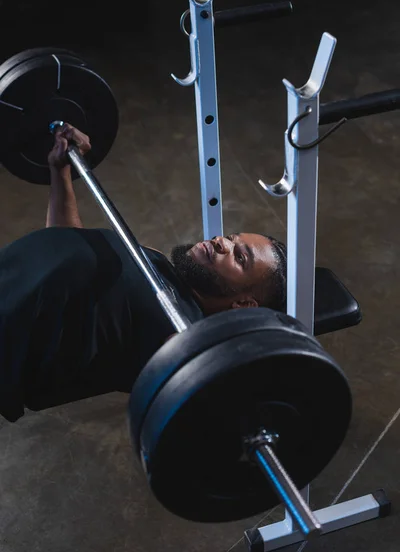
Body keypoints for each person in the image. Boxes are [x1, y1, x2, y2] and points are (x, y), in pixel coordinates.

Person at [0, 124, 287, 423]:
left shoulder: (183, 334)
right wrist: (60, 173)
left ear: (242, 304)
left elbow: (186, 389)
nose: (221, 242)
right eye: (232, 236)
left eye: (240, 257)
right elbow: (65, 241)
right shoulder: (158, 264)